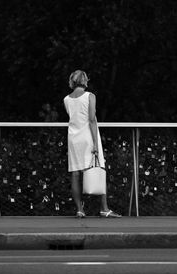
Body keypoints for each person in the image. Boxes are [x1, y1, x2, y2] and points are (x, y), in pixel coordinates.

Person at [63, 70, 121, 218]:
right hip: (88, 136)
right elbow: (92, 119)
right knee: (99, 167)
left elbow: (73, 117)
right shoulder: (90, 96)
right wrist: (95, 143)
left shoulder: (66, 99)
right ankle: (104, 208)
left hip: (73, 138)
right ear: (84, 80)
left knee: (75, 174)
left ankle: (80, 210)